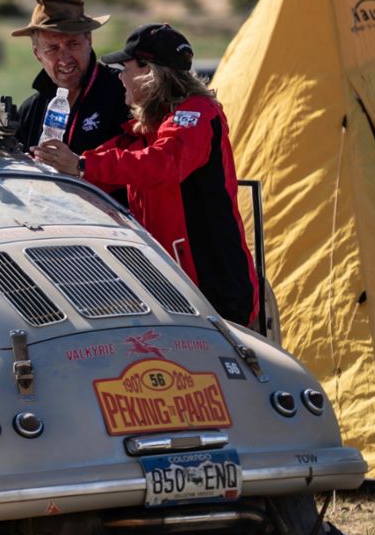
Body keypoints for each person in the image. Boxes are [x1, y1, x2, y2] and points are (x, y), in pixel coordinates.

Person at [33, 23, 258, 326]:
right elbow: (108, 161)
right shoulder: (150, 126)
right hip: (173, 283)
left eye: (125, 68)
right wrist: (42, 166)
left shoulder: (197, 112)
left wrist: (82, 165)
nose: (120, 77)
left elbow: (163, 163)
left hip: (213, 284)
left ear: (149, 71)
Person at [12, 0, 130, 157]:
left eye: (72, 44)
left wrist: (80, 166)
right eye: (52, 49)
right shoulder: (31, 109)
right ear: (37, 54)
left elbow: (142, 164)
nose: (64, 58)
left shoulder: (124, 91)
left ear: (89, 40)